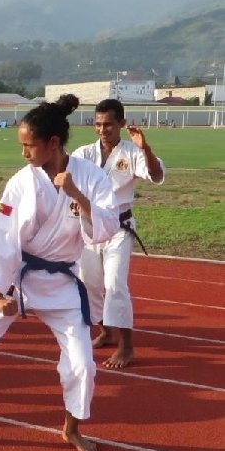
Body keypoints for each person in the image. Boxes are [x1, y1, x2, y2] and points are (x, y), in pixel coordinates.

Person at [0, 95, 119, 451]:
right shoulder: (22, 181)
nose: (24, 153)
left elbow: (106, 229)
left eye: (28, 146)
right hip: (17, 277)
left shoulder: (91, 177)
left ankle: (71, 429)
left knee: (82, 363)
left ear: (52, 143)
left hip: (62, 282)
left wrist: (76, 194)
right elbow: (3, 238)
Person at [72, 99, 164, 368]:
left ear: (121, 124)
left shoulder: (132, 152)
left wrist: (144, 148)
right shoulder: (84, 153)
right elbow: (68, 178)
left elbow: (156, 175)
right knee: (89, 283)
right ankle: (105, 330)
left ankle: (126, 347)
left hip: (119, 228)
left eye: (108, 124)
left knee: (115, 284)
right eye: (98, 124)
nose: (102, 129)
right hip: (89, 228)